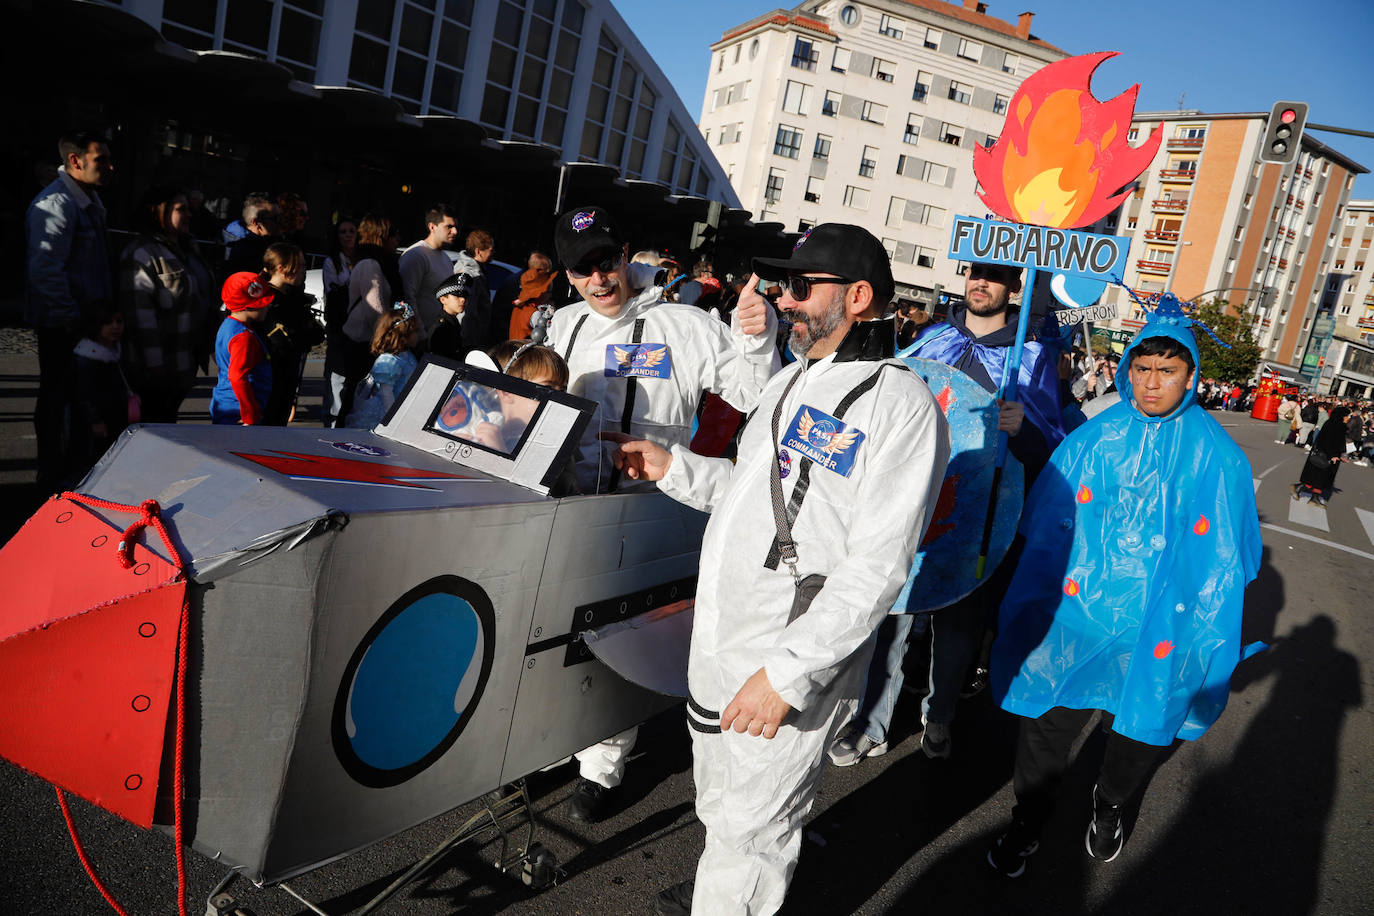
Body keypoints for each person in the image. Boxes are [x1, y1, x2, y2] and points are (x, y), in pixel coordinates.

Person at [604, 223, 949, 916]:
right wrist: (674, 469)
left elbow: (877, 569)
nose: (782, 300)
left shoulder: (901, 405)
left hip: (787, 656)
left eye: (798, 286)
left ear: (856, 296)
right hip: (721, 639)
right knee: (722, 810)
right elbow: (747, 490)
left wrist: (788, 674)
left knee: (753, 836)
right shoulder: (791, 378)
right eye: (781, 285)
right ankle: (718, 888)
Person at [986, 296, 1261, 876]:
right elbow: (1043, 521)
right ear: (1126, 368)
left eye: (1167, 371)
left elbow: (1235, 560)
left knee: (1136, 733)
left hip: (1159, 627)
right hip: (1076, 617)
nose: (1152, 383)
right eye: (1142, 368)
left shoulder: (1221, 458)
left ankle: (1109, 804)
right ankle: (1029, 818)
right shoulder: (1091, 439)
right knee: (1044, 730)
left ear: (1190, 375)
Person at [548, 205, 781, 825]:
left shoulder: (684, 325)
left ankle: (604, 762)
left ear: (625, 253)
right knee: (559, 625)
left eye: (604, 263)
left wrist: (757, 339)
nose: (597, 280)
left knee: (626, 631)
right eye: (580, 271)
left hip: (655, 503)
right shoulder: (565, 327)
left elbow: (757, 392)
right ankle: (554, 738)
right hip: (573, 500)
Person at [829, 261, 1067, 767]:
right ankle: (871, 721)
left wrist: (1023, 428)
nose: (981, 284)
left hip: (982, 514)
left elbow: (1050, 444)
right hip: (913, 500)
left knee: (959, 628)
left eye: (996, 276)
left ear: (1013, 286)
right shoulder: (933, 338)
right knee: (892, 616)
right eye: (976, 273)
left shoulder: (1031, 355)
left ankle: (938, 717)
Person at [25, 130, 114, 489]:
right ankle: (54, 477)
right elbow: (46, 270)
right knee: (58, 398)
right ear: (75, 161)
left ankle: (73, 472)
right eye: (100, 159)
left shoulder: (87, 200)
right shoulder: (57, 203)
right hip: (65, 326)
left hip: (83, 323)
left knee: (80, 400)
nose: (109, 166)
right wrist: (73, 318)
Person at [119, 186, 216, 424]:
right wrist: (156, 367)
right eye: (181, 209)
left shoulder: (188, 247)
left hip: (183, 364)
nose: (189, 215)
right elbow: (141, 319)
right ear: (158, 211)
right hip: (155, 372)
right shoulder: (142, 253)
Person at [339, 215, 401, 425]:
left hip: (369, 340)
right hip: (362, 342)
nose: (397, 240)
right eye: (392, 235)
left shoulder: (380, 263)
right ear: (380, 237)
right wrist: (392, 334)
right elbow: (376, 307)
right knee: (355, 398)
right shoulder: (369, 264)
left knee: (358, 397)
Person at [260, 242, 324, 425]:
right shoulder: (269, 301)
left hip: (287, 378)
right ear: (282, 268)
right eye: (301, 265)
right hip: (270, 380)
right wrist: (305, 330)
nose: (305, 270)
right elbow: (290, 339)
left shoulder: (292, 296)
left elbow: (315, 334)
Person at [70, 301, 134, 477]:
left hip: (114, 415)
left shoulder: (116, 350)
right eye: (108, 322)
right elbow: (85, 393)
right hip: (96, 421)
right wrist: (95, 420)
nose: (115, 327)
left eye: (119, 321)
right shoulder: (88, 357)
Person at [210, 272, 274, 425]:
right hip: (238, 413)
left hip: (228, 405)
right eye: (263, 303)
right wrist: (249, 415)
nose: (268, 306)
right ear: (248, 306)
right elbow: (237, 377)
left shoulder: (229, 326)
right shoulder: (243, 337)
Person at [346, 304, 421, 429]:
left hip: (403, 409)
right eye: (416, 331)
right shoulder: (389, 361)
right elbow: (386, 393)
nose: (420, 334)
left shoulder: (407, 356)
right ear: (403, 333)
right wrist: (392, 421)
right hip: (387, 414)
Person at [399, 204, 459, 334]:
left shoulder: (446, 259)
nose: (455, 232)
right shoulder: (416, 255)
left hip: (438, 336)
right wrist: (420, 334)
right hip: (419, 338)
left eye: (455, 227)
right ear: (432, 227)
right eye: (449, 226)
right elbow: (407, 298)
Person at [323, 217, 358, 426]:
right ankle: (332, 421)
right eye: (343, 232)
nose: (347, 236)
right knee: (336, 377)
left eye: (351, 231)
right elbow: (332, 291)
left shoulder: (363, 259)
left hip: (359, 326)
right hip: (339, 325)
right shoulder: (332, 262)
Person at [1292, 405, 1350, 506]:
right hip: (1326, 456)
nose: (1348, 418)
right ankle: (1300, 489)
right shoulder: (1337, 426)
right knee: (1320, 477)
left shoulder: (1334, 424)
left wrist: (1340, 455)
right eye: (1347, 416)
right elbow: (1328, 441)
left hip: (1328, 455)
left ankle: (1312, 496)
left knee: (1319, 478)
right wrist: (1333, 455)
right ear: (1342, 416)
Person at [452, 228, 495, 350]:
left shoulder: (478, 271)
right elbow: (465, 311)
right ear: (478, 251)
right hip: (470, 340)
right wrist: (468, 342)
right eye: (490, 250)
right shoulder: (470, 274)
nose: (493, 253)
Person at [505, 251, 557, 341]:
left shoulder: (522, 305)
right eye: (548, 292)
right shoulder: (534, 313)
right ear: (540, 293)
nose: (550, 295)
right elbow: (549, 335)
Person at [224, 193, 281, 274]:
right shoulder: (242, 253)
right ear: (256, 222)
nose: (280, 222)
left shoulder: (273, 241)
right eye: (275, 218)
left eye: (281, 217)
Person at [427, 273, 472, 361]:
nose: (463, 300)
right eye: (457, 296)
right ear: (443, 299)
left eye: (465, 296)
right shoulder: (442, 327)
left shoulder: (452, 321)